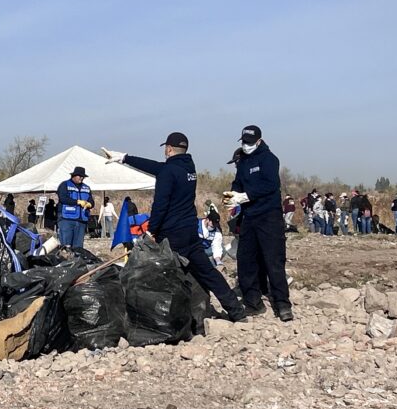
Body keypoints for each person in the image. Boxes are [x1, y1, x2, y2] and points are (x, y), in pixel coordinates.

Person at [103, 133, 246, 322]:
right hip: (189, 230)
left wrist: (151, 230)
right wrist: (124, 158)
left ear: (169, 149)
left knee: (162, 274)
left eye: (165, 148)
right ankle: (236, 311)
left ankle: (163, 319)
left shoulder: (168, 172)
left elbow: (161, 204)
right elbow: (157, 168)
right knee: (208, 272)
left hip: (171, 233)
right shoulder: (188, 168)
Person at [223, 125, 293, 322]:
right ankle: (253, 303)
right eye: (244, 142)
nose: (246, 145)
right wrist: (233, 194)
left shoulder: (269, 159)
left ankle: (283, 305)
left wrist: (246, 196)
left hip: (269, 216)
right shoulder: (243, 161)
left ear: (259, 141)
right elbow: (238, 181)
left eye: (250, 142)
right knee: (246, 260)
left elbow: (271, 185)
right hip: (249, 217)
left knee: (273, 261)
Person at [56, 166, 94, 248]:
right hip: (66, 219)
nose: (82, 178)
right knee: (66, 246)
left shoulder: (86, 187)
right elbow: (63, 198)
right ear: (74, 176)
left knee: (78, 247)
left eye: (83, 177)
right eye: (80, 176)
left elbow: (92, 201)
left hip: (81, 221)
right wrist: (77, 202)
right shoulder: (64, 185)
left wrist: (89, 204)